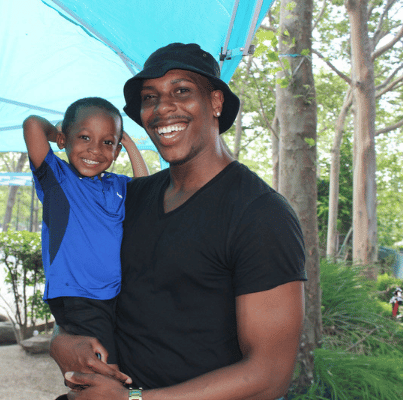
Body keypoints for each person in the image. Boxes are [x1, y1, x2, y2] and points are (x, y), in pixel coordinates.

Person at [51, 43, 306, 400]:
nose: (162, 108)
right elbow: (84, 290)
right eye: (149, 97)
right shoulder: (131, 199)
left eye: (182, 91)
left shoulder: (260, 214)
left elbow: (269, 375)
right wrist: (61, 341)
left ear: (215, 102)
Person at [22, 97, 148, 369]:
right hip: (78, 297)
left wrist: (128, 143)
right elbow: (32, 125)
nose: (95, 149)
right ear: (65, 140)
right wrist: (58, 134)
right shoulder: (58, 179)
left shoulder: (118, 185)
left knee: (123, 363)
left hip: (113, 296)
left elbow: (146, 190)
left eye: (107, 142)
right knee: (104, 370)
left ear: (116, 151)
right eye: (84, 137)